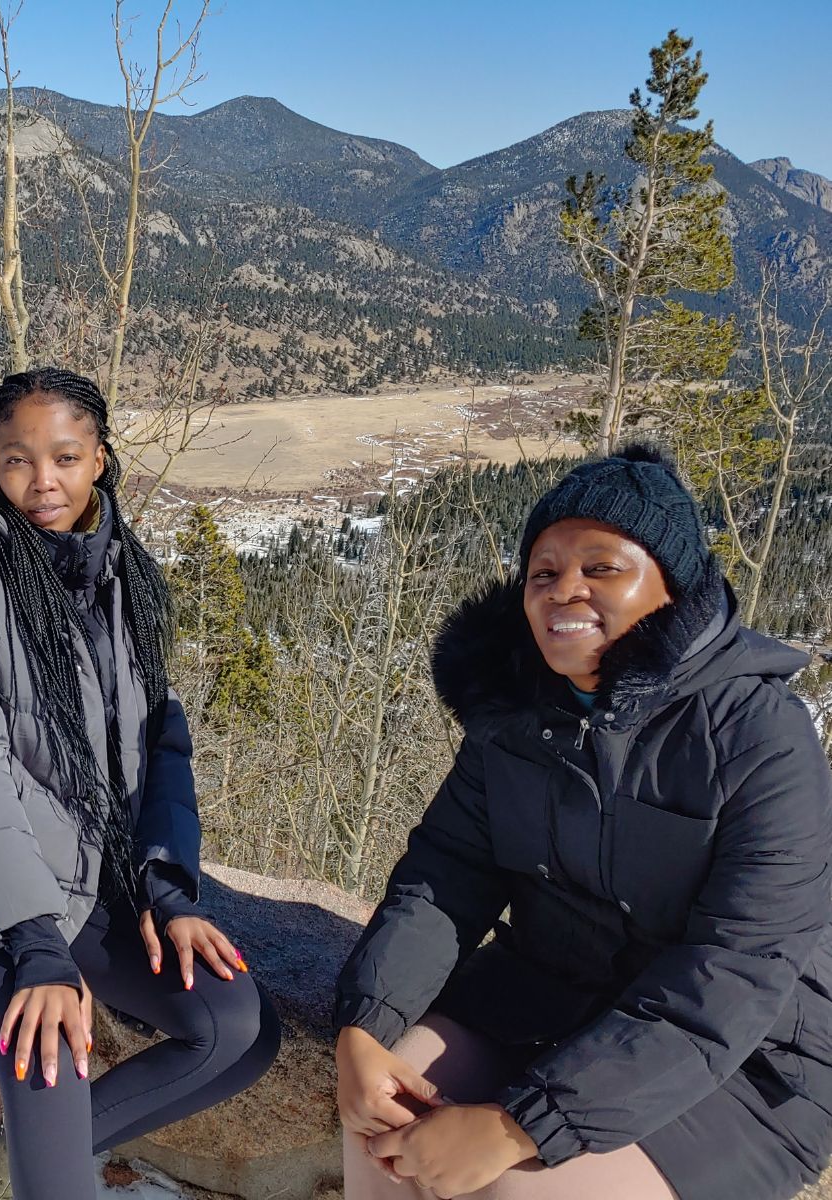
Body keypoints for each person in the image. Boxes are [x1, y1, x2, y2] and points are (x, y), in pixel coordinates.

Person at [333, 445, 832, 1200]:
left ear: (673, 586)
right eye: (544, 571)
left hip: (742, 1066)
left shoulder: (759, 737)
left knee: (520, 1192)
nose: (564, 589)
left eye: (602, 568)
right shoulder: (515, 717)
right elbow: (444, 878)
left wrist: (519, 1128)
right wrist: (364, 1025)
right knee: (380, 1125)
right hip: (546, 999)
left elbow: (734, 973)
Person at [0, 367, 281, 1200]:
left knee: (237, 1027)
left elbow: (159, 742)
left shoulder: (126, 575)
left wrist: (165, 887)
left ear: (100, 458)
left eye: (64, 456)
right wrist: (35, 943)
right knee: (47, 1059)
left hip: (92, 875)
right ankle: (40, 1163)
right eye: (17, 459)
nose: (41, 482)